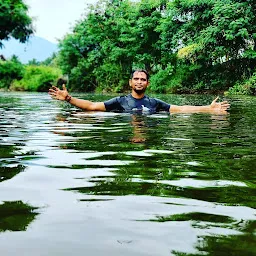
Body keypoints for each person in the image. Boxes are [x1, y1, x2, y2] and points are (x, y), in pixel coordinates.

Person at [49, 69, 230, 114]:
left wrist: (208, 108)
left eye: (143, 79)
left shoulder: (154, 103)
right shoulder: (120, 102)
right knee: (84, 116)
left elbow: (181, 109)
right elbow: (91, 106)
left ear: (147, 83)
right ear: (130, 82)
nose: (139, 81)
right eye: (136, 78)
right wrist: (69, 99)